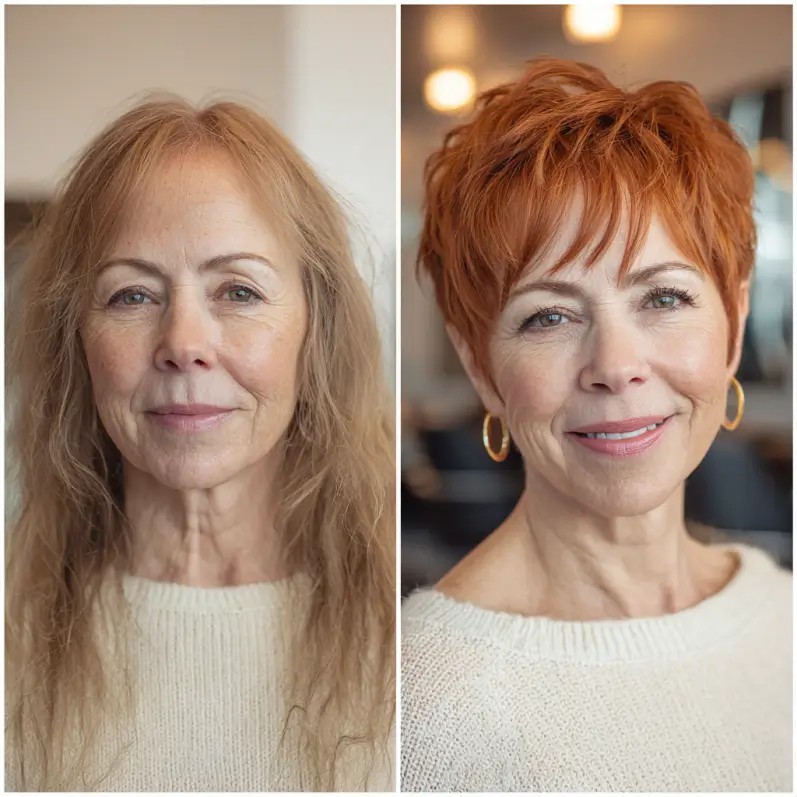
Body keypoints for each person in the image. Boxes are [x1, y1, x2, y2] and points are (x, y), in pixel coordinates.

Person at [401, 57, 791, 792]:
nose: (615, 365)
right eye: (549, 315)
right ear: (480, 365)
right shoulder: (428, 703)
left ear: (733, 325)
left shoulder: (780, 614)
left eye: (663, 299)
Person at [6, 97, 395, 791]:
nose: (183, 343)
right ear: (78, 343)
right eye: (131, 295)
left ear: (317, 330)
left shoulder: (414, 649)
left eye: (238, 291)